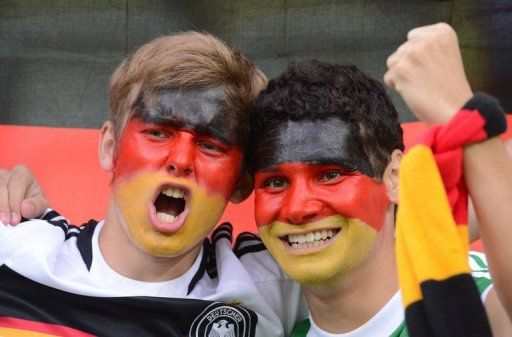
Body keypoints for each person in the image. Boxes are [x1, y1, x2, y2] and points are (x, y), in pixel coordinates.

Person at [0, 31, 306, 337]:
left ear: (241, 182)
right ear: (110, 147)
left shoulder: (273, 283)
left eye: (211, 145)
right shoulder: (17, 253)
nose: (181, 160)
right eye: (158, 133)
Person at [249, 23, 512, 336]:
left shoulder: (470, 296)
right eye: (275, 183)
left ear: (395, 176)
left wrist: (465, 118)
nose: (297, 208)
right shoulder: (261, 320)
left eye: (330, 175)